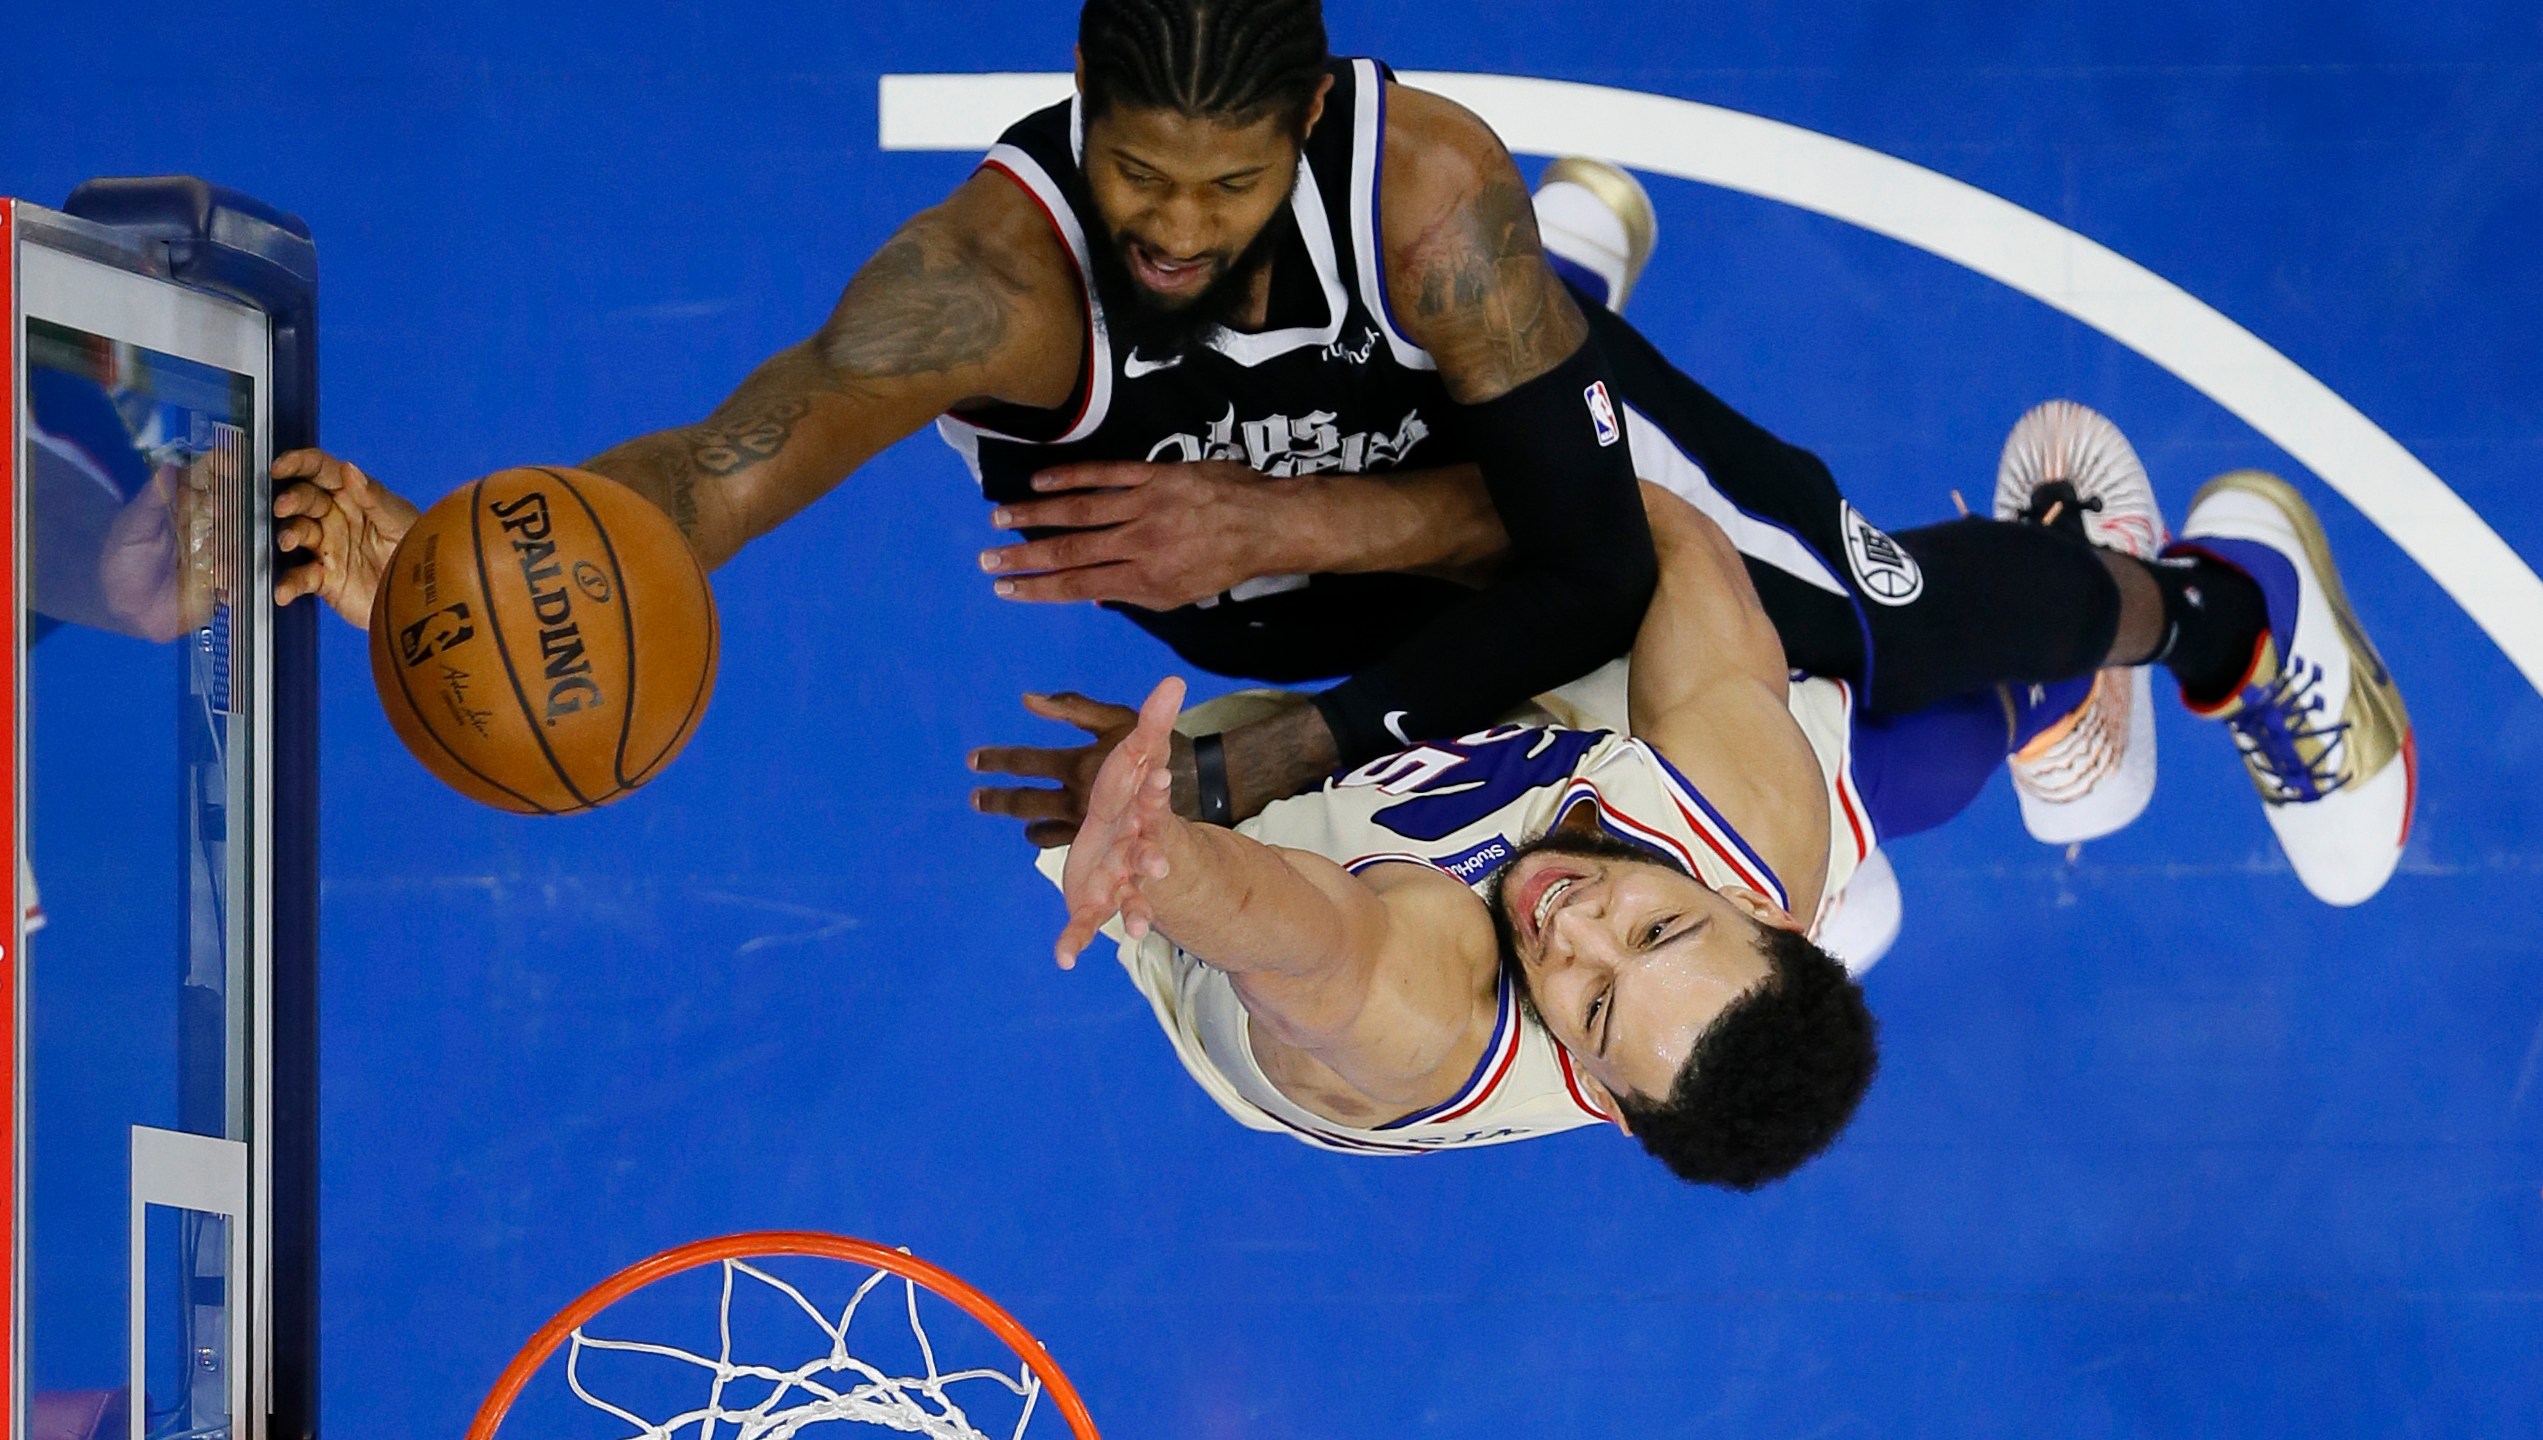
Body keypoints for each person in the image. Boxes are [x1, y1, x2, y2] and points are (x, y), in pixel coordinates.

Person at [270, 0, 2411, 904]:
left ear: (1301, 128)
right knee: (1646, 833)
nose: (1174, 233)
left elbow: (1588, 564)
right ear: (1081, 120)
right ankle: (1561, 338)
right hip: (1344, 564)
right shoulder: (982, 288)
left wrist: (1276, 532)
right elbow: (724, 467)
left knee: (1845, 653)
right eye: (1136, 180)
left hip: (1543, 501)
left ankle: (2212, 609)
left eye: (1222, 188)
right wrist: (481, 564)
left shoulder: (1422, 194)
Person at [1034, 453, 2408, 1187]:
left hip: (1304, 849)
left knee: (1518, 483)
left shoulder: (1430, 1016)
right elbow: (1663, 527)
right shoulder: (1755, 837)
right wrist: (1507, 436)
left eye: (1596, 1007)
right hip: (1561, 746)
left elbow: (1307, 939)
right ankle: (2189, 623)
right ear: (1757, 914)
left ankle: (2151, 650)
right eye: (1654, 924)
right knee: (1851, 644)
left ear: (1608, 1100)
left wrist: (1158, 848)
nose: (1577, 930)